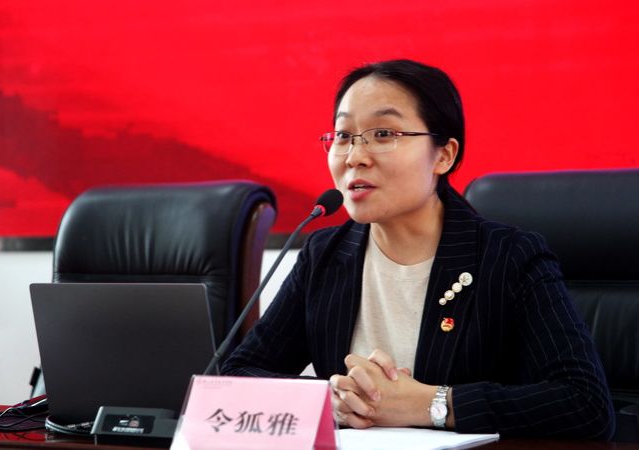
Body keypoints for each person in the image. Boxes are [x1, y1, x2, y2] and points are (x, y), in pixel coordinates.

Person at [222, 59, 615, 439]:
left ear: (443, 155)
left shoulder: (509, 257)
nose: (355, 157)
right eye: (343, 136)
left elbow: (586, 404)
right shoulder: (325, 254)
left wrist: (430, 404)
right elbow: (237, 377)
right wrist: (332, 398)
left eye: (383, 134)